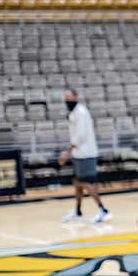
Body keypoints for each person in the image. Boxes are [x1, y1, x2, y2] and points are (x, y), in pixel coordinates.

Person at [58, 88, 111, 224]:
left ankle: (103, 211)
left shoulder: (80, 112)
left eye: (69, 97)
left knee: (87, 183)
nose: (67, 100)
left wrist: (67, 152)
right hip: (78, 154)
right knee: (77, 183)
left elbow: (79, 135)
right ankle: (78, 211)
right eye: (66, 97)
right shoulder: (74, 112)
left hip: (86, 153)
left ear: (75, 96)